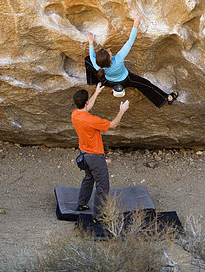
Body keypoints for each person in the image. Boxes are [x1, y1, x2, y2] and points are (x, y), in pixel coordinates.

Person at [86, 15, 178, 108]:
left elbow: (92, 57)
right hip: (126, 80)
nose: (109, 49)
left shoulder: (98, 65)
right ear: (109, 58)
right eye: (108, 51)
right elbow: (130, 42)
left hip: (107, 81)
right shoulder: (118, 59)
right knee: (146, 84)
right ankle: (168, 98)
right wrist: (136, 23)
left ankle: (93, 81)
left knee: (87, 59)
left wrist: (90, 42)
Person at [72, 83, 129, 216]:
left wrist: (97, 92)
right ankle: (99, 214)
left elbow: (87, 107)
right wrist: (122, 110)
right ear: (86, 102)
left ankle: (81, 204)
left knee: (89, 178)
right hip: (95, 157)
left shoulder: (75, 114)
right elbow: (113, 125)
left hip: (84, 154)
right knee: (103, 186)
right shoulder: (92, 120)